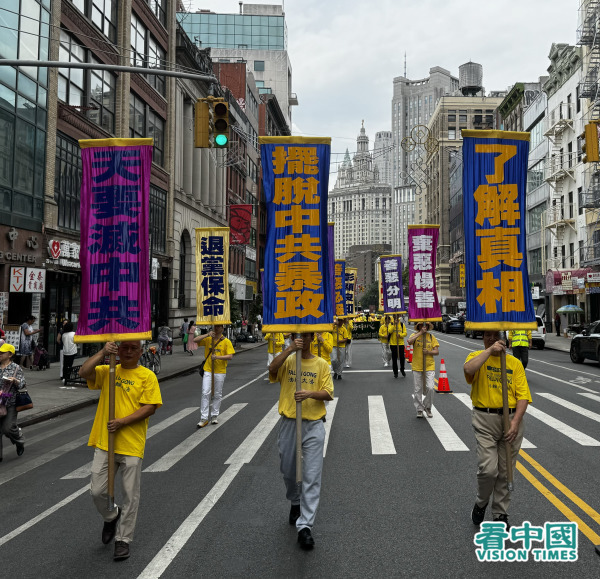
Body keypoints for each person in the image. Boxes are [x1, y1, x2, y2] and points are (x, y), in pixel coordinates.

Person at [79, 341, 162, 561]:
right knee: (97, 491)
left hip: (131, 444)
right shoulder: (108, 370)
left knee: (130, 495)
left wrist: (122, 422)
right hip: (105, 442)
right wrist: (103, 352)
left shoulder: (147, 376)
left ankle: (123, 540)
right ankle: (110, 516)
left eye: (133, 348)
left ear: (141, 352)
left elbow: (150, 407)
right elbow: (83, 371)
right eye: (124, 347)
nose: (127, 352)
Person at [269, 333, 334, 550]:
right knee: (288, 470)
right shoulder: (288, 360)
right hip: (289, 422)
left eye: (305, 336)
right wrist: (288, 349)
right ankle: (295, 501)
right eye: (297, 336)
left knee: (311, 475)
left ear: (312, 338)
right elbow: (271, 370)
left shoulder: (321, 364)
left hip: (313, 425)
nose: (301, 339)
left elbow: (328, 393)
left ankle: (305, 526)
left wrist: (310, 394)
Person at [464, 330, 531, 529]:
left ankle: (500, 513)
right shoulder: (475, 357)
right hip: (485, 419)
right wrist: (490, 351)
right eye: (487, 336)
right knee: (488, 469)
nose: (492, 339)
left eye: (496, 336)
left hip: (510, 421)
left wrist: (515, 422)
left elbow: (523, 396)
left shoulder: (514, 364)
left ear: (504, 338)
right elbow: (468, 370)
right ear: (483, 338)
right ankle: (481, 502)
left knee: (505, 471)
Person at [194, 325, 235, 427]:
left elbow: (230, 356)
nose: (216, 329)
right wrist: (207, 334)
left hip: (220, 371)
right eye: (215, 327)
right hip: (208, 369)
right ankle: (203, 418)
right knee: (205, 392)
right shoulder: (208, 339)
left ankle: (214, 415)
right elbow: (195, 340)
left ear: (222, 329)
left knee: (217, 394)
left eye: (219, 327)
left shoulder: (226, 341)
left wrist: (217, 357)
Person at [406, 322, 439, 417]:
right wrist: (420, 333)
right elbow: (409, 341)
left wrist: (428, 352)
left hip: (429, 366)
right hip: (417, 365)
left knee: (430, 387)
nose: (424, 327)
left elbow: (436, 351)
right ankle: (419, 409)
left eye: (426, 326)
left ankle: (427, 407)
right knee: (417, 389)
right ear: (419, 326)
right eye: (422, 325)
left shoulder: (431, 337)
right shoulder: (414, 335)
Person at [0, 344, 26, 461]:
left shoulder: (16, 368)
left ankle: (19, 441)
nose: (0, 355)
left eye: (2, 353)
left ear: (10, 354)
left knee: (8, 428)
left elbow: (22, 384)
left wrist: (15, 380)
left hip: (10, 403)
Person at [387, 314, 407, 378]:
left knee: (402, 358)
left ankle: (402, 369)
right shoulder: (391, 324)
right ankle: (395, 372)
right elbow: (389, 331)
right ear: (393, 317)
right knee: (394, 358)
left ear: (398, 317)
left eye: (397, 316)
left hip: (400, 343)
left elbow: (405, 333)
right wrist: (394, 325)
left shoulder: (401, 324)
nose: (396, 317)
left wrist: (400, 335)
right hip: (393, 344)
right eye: (395, 316)